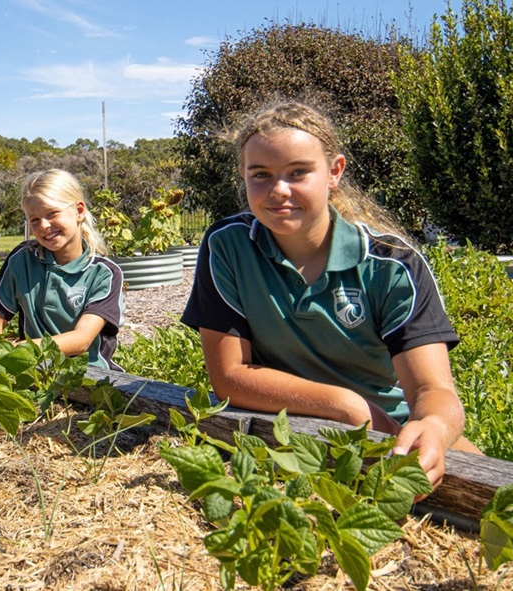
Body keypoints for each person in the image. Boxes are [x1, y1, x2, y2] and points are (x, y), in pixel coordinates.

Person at [182, 101, 480, 490]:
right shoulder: (228, 245)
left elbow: (432, 391)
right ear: (243, 174)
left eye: (298, 172)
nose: (279, 190)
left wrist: (434, 428)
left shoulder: (392, 264)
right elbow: (230, 376)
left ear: (334, 172)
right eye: (261, 175)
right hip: (301, 420)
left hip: (396, 431)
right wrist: (346, 406)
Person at [0, 169, 124, 370]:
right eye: (35, 220)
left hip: (88, 376)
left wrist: (19, 349)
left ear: (79, 211)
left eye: (52, 213)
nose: (44, 225)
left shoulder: (104, 273)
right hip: (34, 371)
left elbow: (81, 340)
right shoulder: (22, 260)